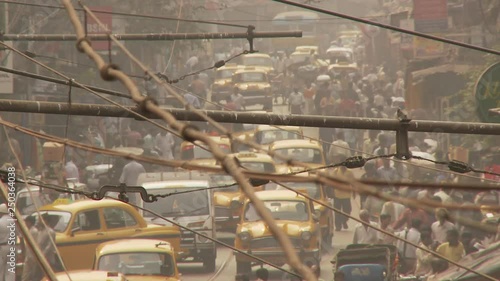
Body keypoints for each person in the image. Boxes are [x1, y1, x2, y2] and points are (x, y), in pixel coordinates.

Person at [329, 157, 355, 231]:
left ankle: (344, 221)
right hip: (337, 194)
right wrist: (331, 191)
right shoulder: (336, 171)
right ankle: (338, 226)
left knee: (348, 210)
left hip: (347, 195)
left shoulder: (349, 172)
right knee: (337, 212)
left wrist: (354, 192)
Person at [0, 204, 15, 281]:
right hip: (12, 246)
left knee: (1, 268)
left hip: (2, 247)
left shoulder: (1, 222)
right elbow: (20, 236)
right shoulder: (14, 221)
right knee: (10, 269)